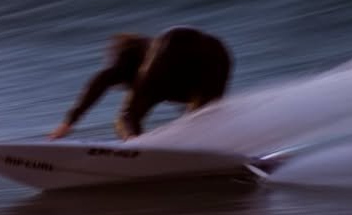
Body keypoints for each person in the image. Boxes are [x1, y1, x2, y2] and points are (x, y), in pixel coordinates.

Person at [48, 26, 233, 140]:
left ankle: (135, 146)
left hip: (174, 42)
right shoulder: (161, 81)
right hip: (218, 53)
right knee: (201, 120)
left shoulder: (133, 61)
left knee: (125, 117)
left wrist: (69, 121)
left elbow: (102, 79)